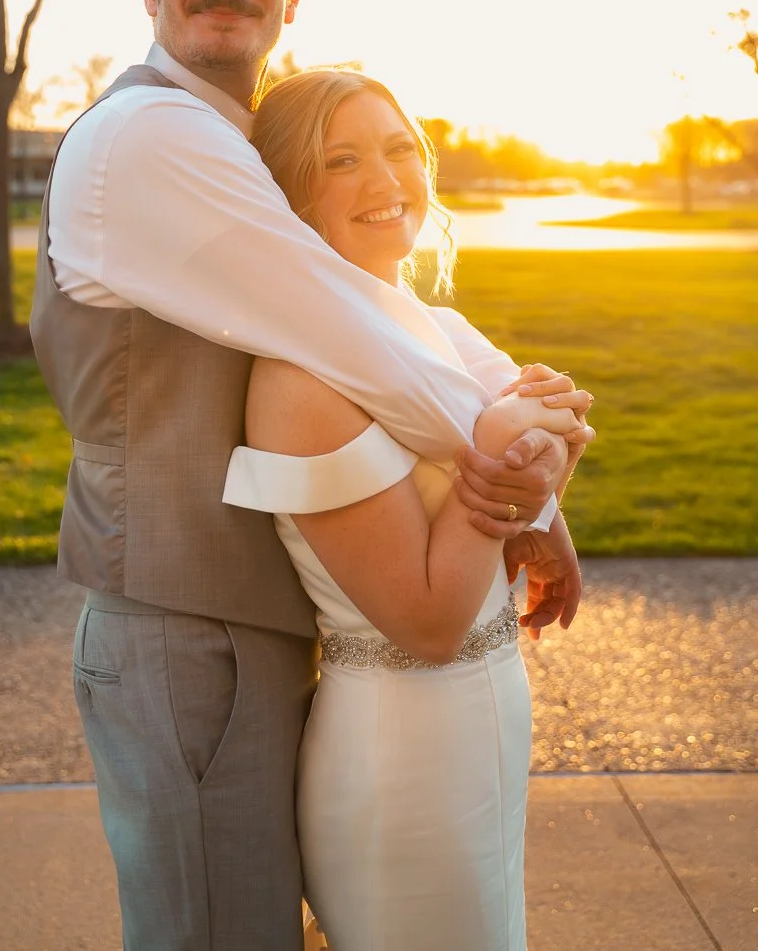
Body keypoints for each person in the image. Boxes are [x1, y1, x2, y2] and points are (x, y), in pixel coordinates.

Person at [29, 0, 593, 951]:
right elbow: (351, 332)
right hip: (184, 633)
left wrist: (532, 485)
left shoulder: (240, 142)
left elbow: (399, 318)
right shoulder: (152, 135)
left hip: (259, 631)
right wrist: (523, 488)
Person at [225, 68, 590, 950]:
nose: (385, 181)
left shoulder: (433, 329)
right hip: (402, 751)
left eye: (397, 148)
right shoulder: (297, 381)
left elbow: (545, 454)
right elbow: (427, 620)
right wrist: (506, 441)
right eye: (341, 160)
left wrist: (547, 507)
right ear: (291, 196)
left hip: (486, 721)